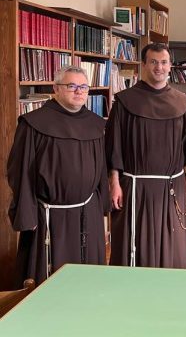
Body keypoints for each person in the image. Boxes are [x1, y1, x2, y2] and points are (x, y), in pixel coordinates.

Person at [7, 66, 110, 286]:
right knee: (47, 281)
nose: (79, 91)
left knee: (88, 280)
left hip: (88, 211)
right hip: (48, 215)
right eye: (71, 86)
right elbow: (19, 172)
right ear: (56, 88)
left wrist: (102, 207)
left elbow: (102, 169)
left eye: (83, 87)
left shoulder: (96, 124)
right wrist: (26, 215)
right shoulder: (33, 123)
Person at [106, 43, 186, 268]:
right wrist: (114, 183)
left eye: (164, 62)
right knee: (136, 244)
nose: (159, 67)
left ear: (170, 66)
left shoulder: (181, 102)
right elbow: (114, 147)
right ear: (144, 65)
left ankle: (172, 285)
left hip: (173, 185)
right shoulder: (124, 102)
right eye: (154, 62)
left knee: (173, 245)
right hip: (135, 187)